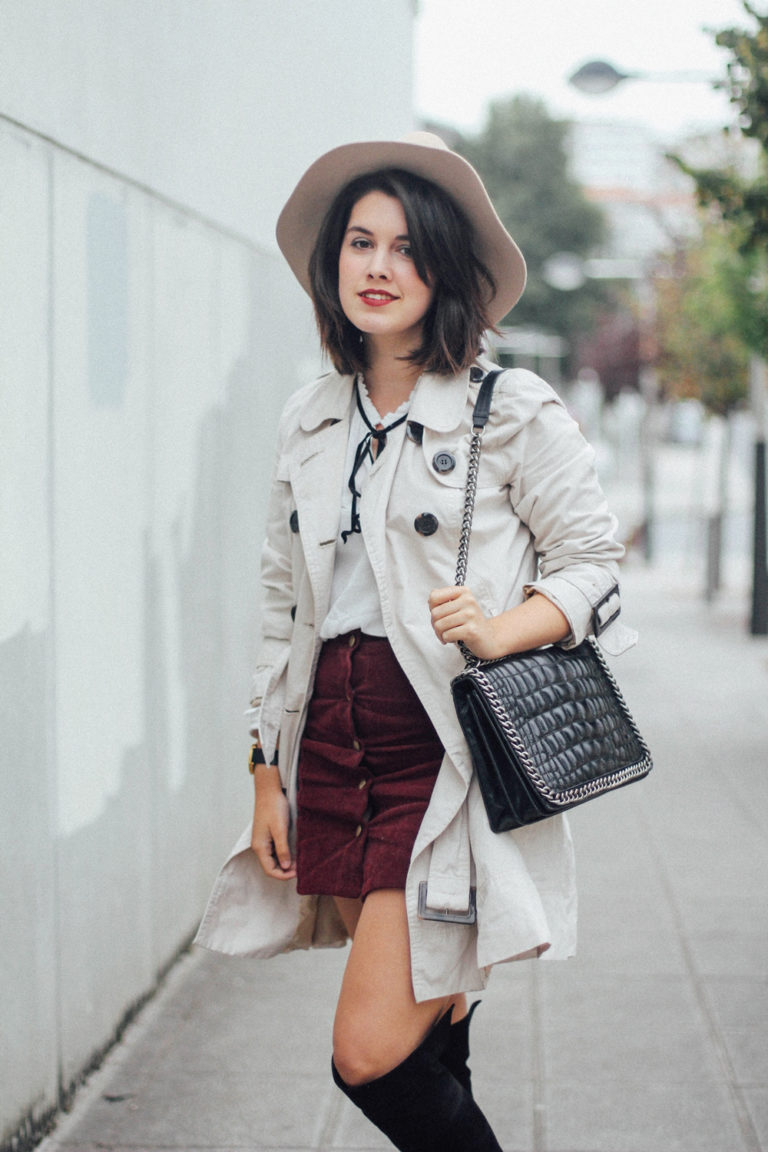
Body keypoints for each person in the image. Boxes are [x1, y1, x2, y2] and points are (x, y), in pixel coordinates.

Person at [196, 132, 634, 1151]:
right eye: (360, 243)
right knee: (434, 1040)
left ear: (446, 271)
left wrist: (499, 626)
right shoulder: (310, 419)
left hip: (444, 758)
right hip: (332, 746)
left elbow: (594, 561)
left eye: (405, 247)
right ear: (332, 264)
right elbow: (279, 603)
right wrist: (266, 773)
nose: (379, 267)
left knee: (369, 1053)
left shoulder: (508, 409)